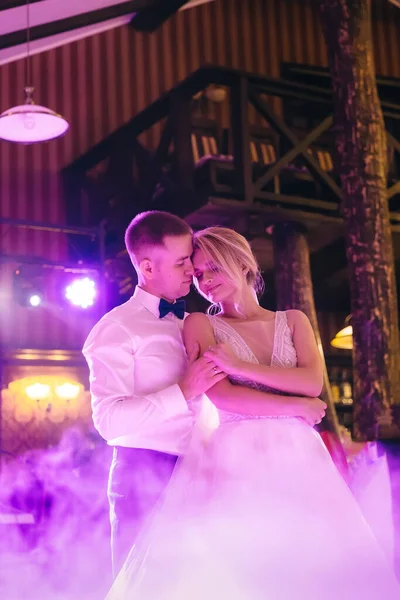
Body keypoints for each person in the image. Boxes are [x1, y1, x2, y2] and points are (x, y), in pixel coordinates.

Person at [106, 226, 399, 599]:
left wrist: (242, 367)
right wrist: (296, 406)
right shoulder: (200, 324)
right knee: (240, 564)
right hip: (235, 456)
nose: (206, 281)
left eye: (214, 268)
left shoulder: (293, 320)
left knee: (315, 560)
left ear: (243, 262)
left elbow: (311, 382)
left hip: (300, 457)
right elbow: (224, 397)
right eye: (198, 274)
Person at [83, 212, 322, 577]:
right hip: (145, 470)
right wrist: (183, 391)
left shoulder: (193, 323)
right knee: (145, 584)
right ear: (148, 267)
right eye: (183, 264)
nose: (191, 274)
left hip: (204, 469)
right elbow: (107, 422)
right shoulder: (115, 329)